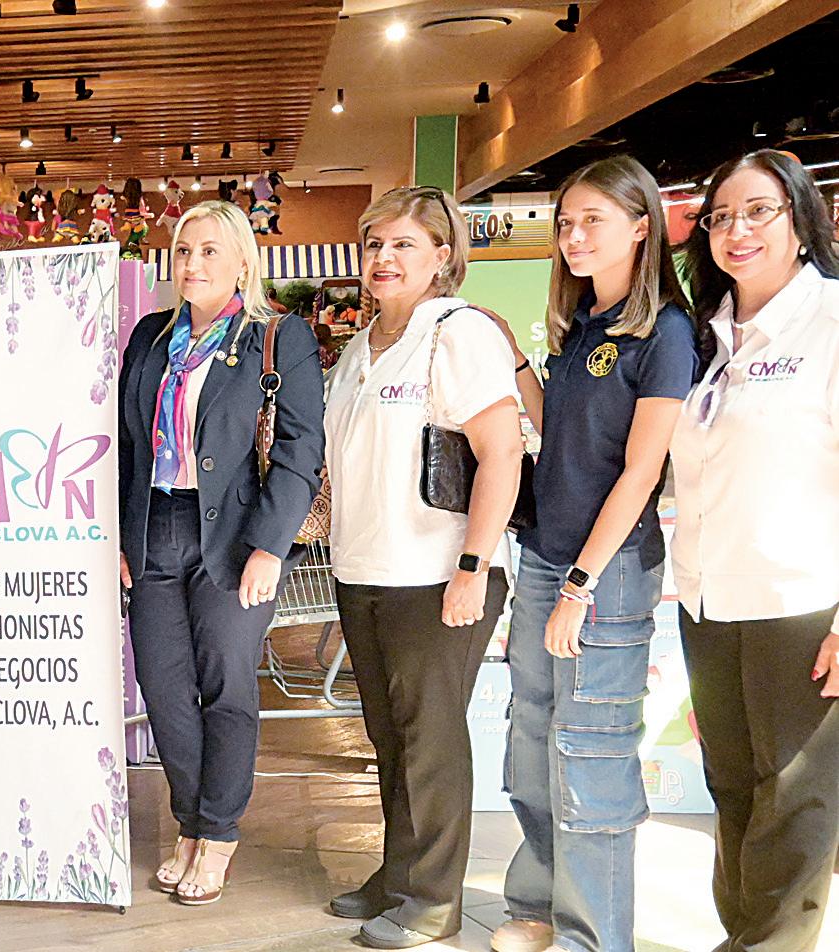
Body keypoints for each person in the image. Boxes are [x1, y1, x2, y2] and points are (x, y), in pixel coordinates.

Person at [494, 156, 698, 952]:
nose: (573, 237)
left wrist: (580, 585)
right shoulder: (585, 322)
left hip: (603, 573)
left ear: (642, 227)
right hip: (548, 555)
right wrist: (519, 365)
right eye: (566, 223)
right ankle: (538, 907)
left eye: (593, 221)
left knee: (590, 753)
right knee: (531, 739)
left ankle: (593, 937)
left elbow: (642, 471)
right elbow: (566, 436)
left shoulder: (665, 332)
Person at [321, 186, 523, 949]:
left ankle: (435, 900)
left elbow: (502, 453)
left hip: (438, 572)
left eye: (403, 243)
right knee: (389, 737)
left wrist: (472, 566)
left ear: (442, 255)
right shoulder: (358, 349)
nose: (384, 257)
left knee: (430, 739)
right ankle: (399, 875)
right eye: (374, 244)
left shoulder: (459, 333)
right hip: (364, 569)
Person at [117, 200, 324, 906]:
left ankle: (219, 832)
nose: (193, 263)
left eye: (209, 250)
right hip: (155, 528)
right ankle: (190, 821)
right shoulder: (150, 338)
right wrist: (121, 538)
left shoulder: (278, 337)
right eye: (183, 250)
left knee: (226, 684)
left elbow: (300, 450)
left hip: (236, 537)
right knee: (164, 687)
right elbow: (125, 446)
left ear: (241, 261)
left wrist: (270, 546)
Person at [671, 149, 839, 952]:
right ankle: (742, 937)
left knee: (795, 800)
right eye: (721, 216)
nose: (737, 230)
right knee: (733, 789)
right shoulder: (708, 340)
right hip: (709, 600)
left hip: (800, 601)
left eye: (759, 211)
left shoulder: (831, 322)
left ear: (802, 222)